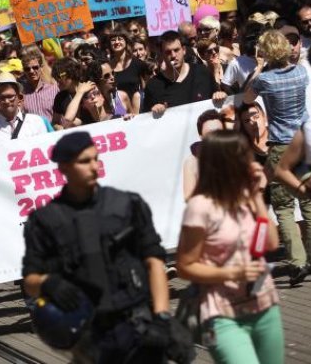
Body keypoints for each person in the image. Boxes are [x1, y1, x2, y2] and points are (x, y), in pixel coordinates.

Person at [23, 131, 188, 363]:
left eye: (95, 159)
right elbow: (30, 281)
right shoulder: (45, 220)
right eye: (84, 161)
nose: (94, 167)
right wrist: (47, 283)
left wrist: (162, 317)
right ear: (64, 168)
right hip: (87, 337)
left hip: (138, 325)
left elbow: (155, 262)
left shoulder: (127, 205)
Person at [177, 131, 283, 364]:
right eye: (244, 157)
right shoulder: (199, 207)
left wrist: (256, 196)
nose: (251, 162)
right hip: (222, 315)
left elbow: (271, 243)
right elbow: (185, 266)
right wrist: (233, 273)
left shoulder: (246, 196)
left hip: (265, 306)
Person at [244, 29, 311, 283]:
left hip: (281, 145)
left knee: (283, 206)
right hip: (304, 142)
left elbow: (248, 97)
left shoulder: (266, 80)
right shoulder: (301, 72)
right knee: (309, 202)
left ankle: (297, 261)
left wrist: (260, 66)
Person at [141, 31, 226, 115]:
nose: (173, 55)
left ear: (184, 50)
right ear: (162, 55)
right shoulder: (153, 86)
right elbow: (146, 121)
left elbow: (217, 98)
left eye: (176, 50)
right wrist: (154, 111)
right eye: (168, 52)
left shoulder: (202, 72)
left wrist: (220, 95)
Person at [0, 72, 49, 146]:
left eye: (10, 96)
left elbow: (46, 150)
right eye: (2, 97)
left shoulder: (36, 122)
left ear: (19, 97)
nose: (6, 101)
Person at [182, 110, 226, 200]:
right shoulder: (192, 162)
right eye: (209, 134)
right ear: (201, 136)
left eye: (219, 131)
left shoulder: (235, 153)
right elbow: (189, 199)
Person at [106, 27, 141, 112]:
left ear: (126, 42)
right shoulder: (106, 67)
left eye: (120, 39)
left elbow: (145, 88)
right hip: (120, 112)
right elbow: (106, 94)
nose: (117, 42)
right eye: (113, 40)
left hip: (139, 110)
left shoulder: (137, 63)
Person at [20, 47, 58, 125]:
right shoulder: (21, 93)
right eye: (27, 69)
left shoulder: (54, 89)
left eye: (35, 67)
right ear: (24, 71)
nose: (31, 71)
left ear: (41, 67)